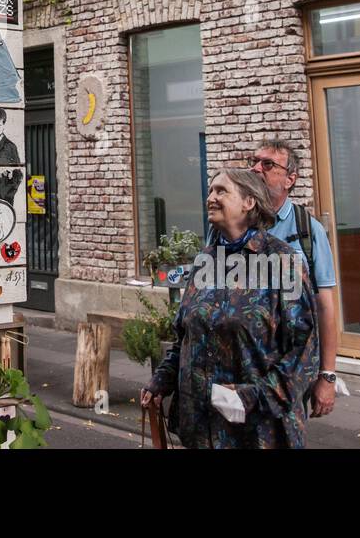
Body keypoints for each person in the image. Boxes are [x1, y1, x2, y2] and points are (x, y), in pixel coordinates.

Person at [141, 167, 318, 448]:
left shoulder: (282, 261)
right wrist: (162, 379)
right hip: (200, 429)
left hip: (258, 432)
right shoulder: (205, 260)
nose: (211, 196)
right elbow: (184, 338)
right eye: (211, 190)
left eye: (221, 190)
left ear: (250, 203)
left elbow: (305, 353)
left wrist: (252, 396)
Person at [249, 139, 340, 417]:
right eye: (253, 161)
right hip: (242, 365)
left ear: (290, 179)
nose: (255, 168)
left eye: (267, 164)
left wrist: (327, 376)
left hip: (290, 370)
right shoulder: (233, 225)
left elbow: (324, 306)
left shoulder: (308, 231)